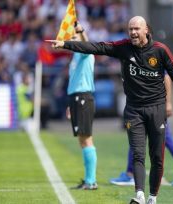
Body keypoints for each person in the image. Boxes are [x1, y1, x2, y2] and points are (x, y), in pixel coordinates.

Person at [46, 16, 173, 204]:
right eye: (130, 29)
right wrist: (65, 44)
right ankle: (139, 196)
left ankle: (152, 198)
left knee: (157, 157)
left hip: (156, 110)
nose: (132, 32)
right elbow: (96, 47)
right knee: (138, 154)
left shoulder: (160, 50)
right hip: (134, 110)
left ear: (146, 30)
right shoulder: (123, 47)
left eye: (136, 29)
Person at [110, 74, 173, 187]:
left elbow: (166, 77)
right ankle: (130, 173)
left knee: (166, 137)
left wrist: (168, 103)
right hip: (142, 105)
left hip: (155, 106)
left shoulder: (153, 56)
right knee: (136, 138)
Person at [66, 22, 98, 190]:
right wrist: (69, 103)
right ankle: (88, 179)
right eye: (70, 37)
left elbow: (87, 44)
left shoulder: (85, 53)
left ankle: (91, 181)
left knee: (86, 139)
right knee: (82, 140)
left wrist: (82, 32)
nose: (71, 40)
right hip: (76, 98)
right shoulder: (75, 56)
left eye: (74, 37)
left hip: (83, 98)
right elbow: (74, 81)